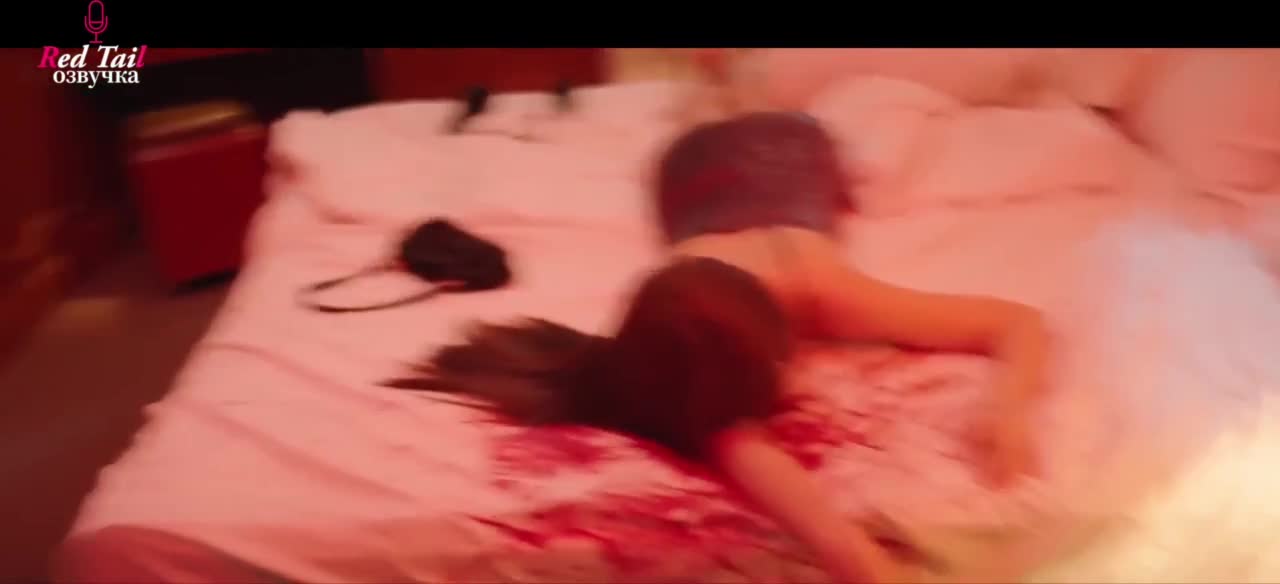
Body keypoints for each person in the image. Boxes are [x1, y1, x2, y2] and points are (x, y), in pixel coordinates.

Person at [387, 108, 1049, 583]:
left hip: (785, 144)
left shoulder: (818, 286)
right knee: (711, 110)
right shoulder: (683, 332)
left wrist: (1009, 411)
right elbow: (838, 541)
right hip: (687, 168)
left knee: (796, 107)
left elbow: (1018, 322)